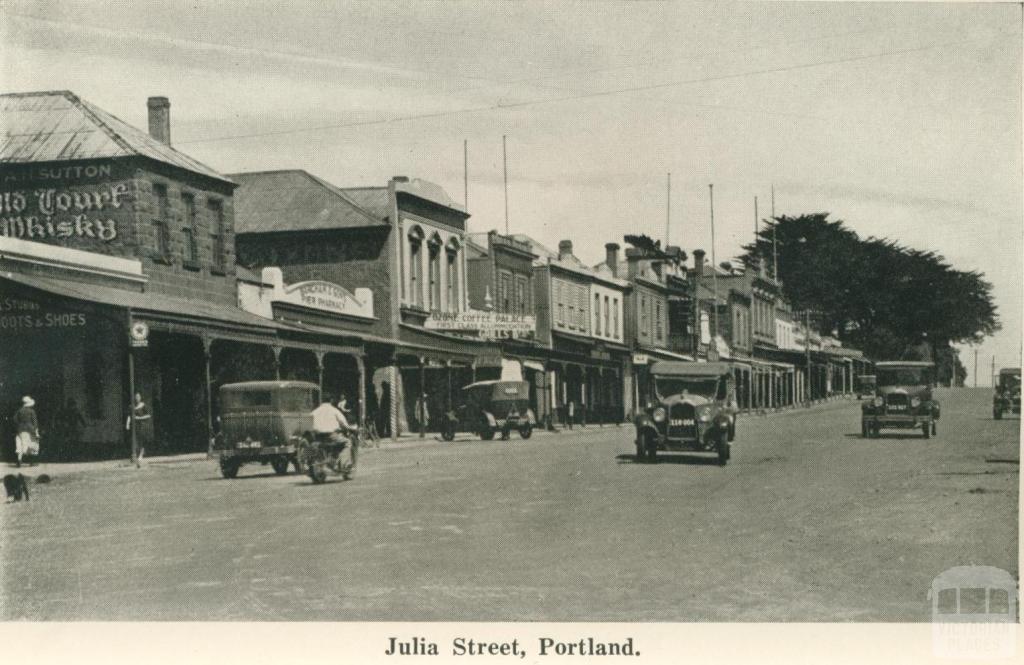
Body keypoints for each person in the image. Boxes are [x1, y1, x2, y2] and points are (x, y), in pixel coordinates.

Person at [311, 394, 358, 472]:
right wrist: (351, 428)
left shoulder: (315, 412)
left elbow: (309, 423)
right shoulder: (334, 410)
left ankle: (331, 461)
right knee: (347, 442)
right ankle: (344, 465)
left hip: (318, 437)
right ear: (331, 400)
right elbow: (343, 423)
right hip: (331, 436)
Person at [126, 393, 153, 467]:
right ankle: (135, 456)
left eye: (138, 397)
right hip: (134, 426)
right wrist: (127, 424)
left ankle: (140, 456)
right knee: (135, 441)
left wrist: (139, 418)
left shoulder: (143, 405)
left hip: (142, 425)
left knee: (141, 440)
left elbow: (148, 415)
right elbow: (129, 416)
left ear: (140, 398)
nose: (137, 398)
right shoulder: (131, 406)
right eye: (135, 397)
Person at [14, 396, 39, 468]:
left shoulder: (19, 411)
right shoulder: (32, 411)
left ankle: (19, 460)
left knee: (20, 445)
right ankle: (31, 461)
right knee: (31, 444)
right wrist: (36, 429)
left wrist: (19, 424)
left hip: (20, 429)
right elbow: (35, 421)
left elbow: (15, 419)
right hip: (30, 429)